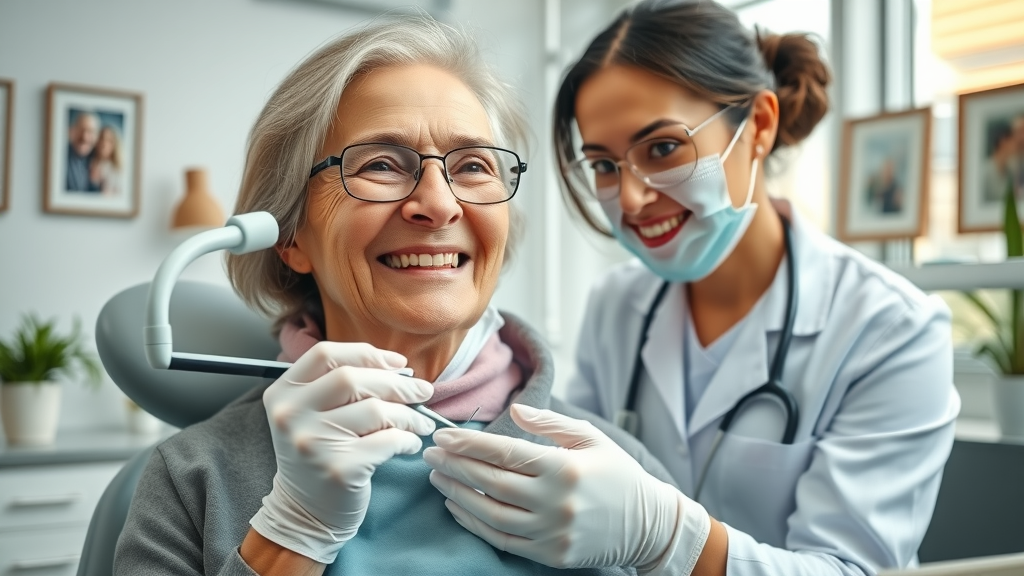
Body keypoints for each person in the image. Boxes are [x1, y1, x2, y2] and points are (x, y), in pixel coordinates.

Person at [113, 14, 675, 576]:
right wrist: (290, 538)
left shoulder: (620, 477)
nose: (439, 203)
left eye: (473, 165)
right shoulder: (192, 483)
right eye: (380, 164)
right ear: (289, 237)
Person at [423, 1, 959, 575]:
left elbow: (854, 570)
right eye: (604, 166)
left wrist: (666, 537)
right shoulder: (620, 305)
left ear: (758, 126)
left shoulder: (892, 329)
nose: (629, 198)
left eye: (661, 149)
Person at [982, 122, 1015, 203]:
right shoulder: (985, 171)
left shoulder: (1010, 171)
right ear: (1003, 141)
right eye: (1013, 140)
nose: (1015, 144)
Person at [66, 110, 99, 192]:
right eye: (81, 129)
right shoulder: (61, 157)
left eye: (91, 131)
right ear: (71, 130)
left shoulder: (99, 158)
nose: (85, 137)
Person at [89, 125, 123, 196]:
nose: (104, 143)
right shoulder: (89, 162)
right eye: (101, 138)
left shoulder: (116, 170)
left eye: (109, 141)